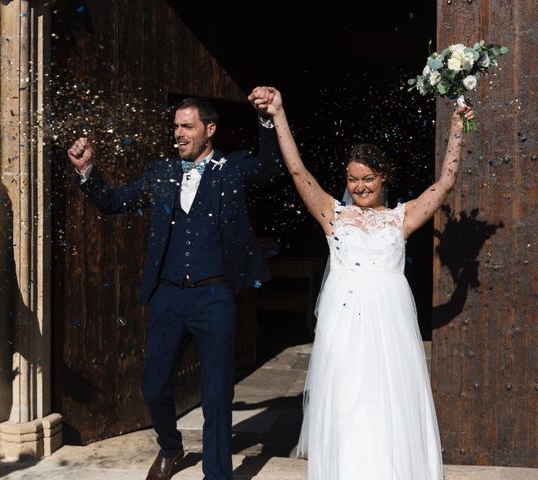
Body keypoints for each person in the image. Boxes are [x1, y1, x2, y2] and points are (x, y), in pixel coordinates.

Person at [254, 87, 473, 480]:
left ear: (383, 177)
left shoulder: (400, 218)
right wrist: (278, 113)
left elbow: (445, 183)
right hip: (343, 324)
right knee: (346, 400)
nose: (360, 187)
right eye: (353, 180)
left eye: (367, 179)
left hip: (389, 326)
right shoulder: (332, 215)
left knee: (386, 403)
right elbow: (298, 170)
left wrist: (457, 126)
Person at [67, 87, 281, 480]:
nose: (178, 134)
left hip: (214, 296)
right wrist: (87, 171)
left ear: (209, 129)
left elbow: (270, 164)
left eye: (187, 126)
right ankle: (170, 445)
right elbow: (114, 202)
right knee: (153, 385)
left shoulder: (231, 168)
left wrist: (268, 118)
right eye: (176, 127)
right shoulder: (160, 172)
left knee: (217, 393)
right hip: (167, 295)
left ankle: (217, 474)